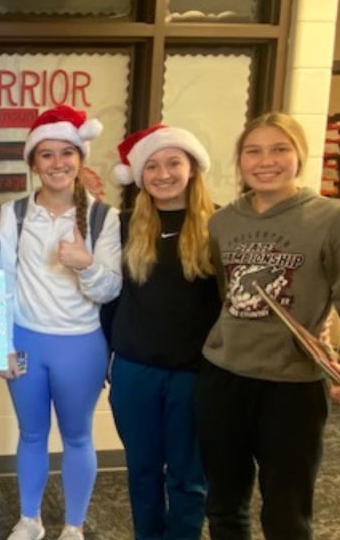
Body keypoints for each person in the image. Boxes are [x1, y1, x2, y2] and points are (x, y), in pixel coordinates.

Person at [197, 112, 340, 540]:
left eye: (279, 149)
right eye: (254, 151)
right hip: (224, 381)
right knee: (224, 507)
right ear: (240, 160)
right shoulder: (223, 222)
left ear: (300, 156)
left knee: (287, 514)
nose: (265, 161)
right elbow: (223, 296)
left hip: (292, 388)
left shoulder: (333, 219)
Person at [0, 105, 122, 540]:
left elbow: (109, 290)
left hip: (80, 345)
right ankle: (30, 519)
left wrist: (85, 265)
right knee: (31, 435)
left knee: (78, 437)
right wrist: (0, 344)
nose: (57, 163)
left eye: (67, 153)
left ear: (80, 159)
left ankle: (73, 525)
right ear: (33, 163)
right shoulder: (13, 214)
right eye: (46, 155)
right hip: (27, 340)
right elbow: (2, 282)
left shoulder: (104, 217)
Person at [107, 125, 221, 540]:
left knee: (189, 477)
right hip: (135, 372)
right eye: (151, 165)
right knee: (142, 471)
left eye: (173, 162)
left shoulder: (221, 226)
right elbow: (108, 300)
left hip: (196, 373)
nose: (163, 173)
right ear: (139, 176)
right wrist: (107, 358)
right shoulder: (121, 227)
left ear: (192, 168)